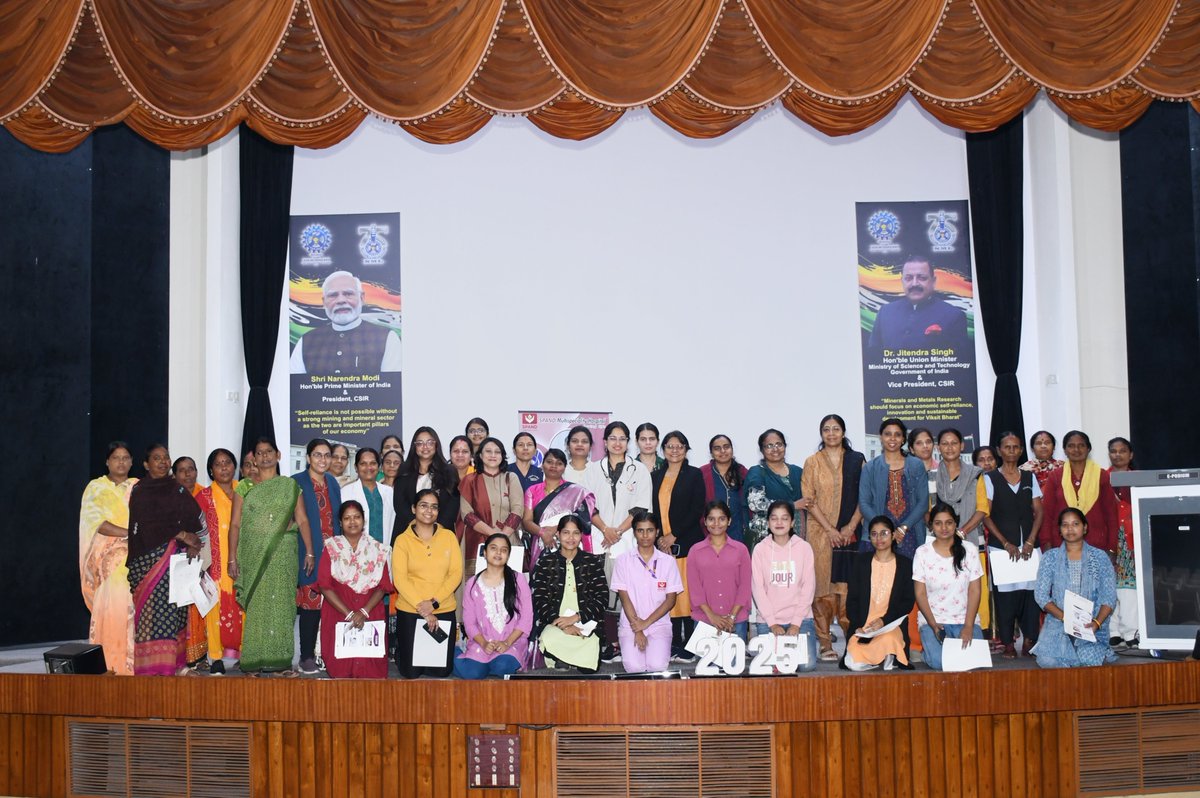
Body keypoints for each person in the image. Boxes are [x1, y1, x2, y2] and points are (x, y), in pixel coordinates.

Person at [228, 438, 316, 674]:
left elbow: (303, 519)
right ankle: (253, 661)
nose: (265, 456)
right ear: (254, 458)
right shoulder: (245, 487)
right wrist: (232, 558)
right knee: (256, 605)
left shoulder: (289, 486)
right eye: (260, 453)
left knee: (283, 605)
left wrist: (309, 551)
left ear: (278, 455)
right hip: (252, 553)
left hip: (284, 553)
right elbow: (235, 525)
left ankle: (281, 662)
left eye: (269, 452)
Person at [126, 444, 206, 676]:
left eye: (166, 458)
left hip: (177, 563)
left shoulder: (177, 489)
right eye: (156, 458)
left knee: (175, 613)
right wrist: (182, 535)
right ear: (146, 464)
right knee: (152, 616)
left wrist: (196, 543)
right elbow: (149, 525)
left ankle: (176, 664)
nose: (162, 462)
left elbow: (195, 517)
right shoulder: (141, 490)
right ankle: (152, 667)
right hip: (148, 563)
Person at [583, 421, 652, 661]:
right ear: (604, 442)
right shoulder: (592, 469)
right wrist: (605, 530)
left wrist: (618, 532)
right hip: (599, 539)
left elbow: (641, 507)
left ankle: (626, 642)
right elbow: (587, 504)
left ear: (628, 442)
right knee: (600, 593)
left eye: (622, 438)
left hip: (626, 540)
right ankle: (606, 643)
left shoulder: (639, 470)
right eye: (613, 438)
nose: (617, 442)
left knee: (627, 593)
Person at [801, 414, 866, 662]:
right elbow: (809, 500)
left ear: (843, 431)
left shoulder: (856, 460)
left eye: (835, 429)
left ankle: (853, 642)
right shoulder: (813, 462)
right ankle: (825, 642)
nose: (831, 433)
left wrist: (850, 527)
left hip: (851, 534)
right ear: (821, 433)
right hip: (820, 534)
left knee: (847, 588)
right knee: (822, 588)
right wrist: (830, 529)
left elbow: (865, 496)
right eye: (826, 429)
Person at [979, 432, 1043, 659]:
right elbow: (985, 515)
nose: (1012, 451)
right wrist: (1005, 543)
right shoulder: (989, 478)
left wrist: (1031, 540)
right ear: (999, 450)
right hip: (1001, 549)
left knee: (1031, 596)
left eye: (1016, 447)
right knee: (1005, 598)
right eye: (1007, 447)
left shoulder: (1029, 477)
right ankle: (1007, 643)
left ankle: (1029, 640)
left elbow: (1039, 511)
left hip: (1029, 549)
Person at [1032, 508, 1118, 669]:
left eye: (1075, 524)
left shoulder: (1099, 557)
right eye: (1065, 525)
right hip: (1059, 622)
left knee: (1088, 658)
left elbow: (1109, 597)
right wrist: (1065, 618)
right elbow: (1041, 596)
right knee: (1048, 661)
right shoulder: (1050, 557)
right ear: (1059, 530)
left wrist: (1096, 623)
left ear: (1085, 527)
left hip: (1090, 625)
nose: (1070, 529)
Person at [79, 441, 138, 675]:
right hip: (109, 560)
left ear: (132, 462)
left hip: (138, 558)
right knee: (112, 608)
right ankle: (108, 666)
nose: (121, 462)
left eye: (125, 458)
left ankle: (133, 666)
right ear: (107, 461)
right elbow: (96, 523)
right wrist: (129, 533)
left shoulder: (139, 487)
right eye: (116, 458)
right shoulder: (95, 488)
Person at [318, 501, 393, 678]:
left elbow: (383, 586)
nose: (352, 522)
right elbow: (324, 585)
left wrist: (363, 612)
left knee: (370, 668)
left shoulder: (377, 549)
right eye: (347, 518)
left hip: (370, 611)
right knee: (340, 668)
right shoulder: (331, 547)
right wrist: (350, 614)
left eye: (357, 517)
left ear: (363, 520)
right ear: (340, 523)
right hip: (338, 611)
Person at [392, 489, 462, 678]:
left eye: (434, 507)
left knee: (441, 671)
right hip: (411, 610)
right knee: (411, 673)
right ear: (414, 508)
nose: (429, 511)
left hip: (442, 608)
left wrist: (433, 603)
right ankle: (401, 652)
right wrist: (423, 608)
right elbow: (400, 579)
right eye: (423, 505)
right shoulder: (402, 540)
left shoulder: (448, 537)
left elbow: (455, 574)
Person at [651, 431, 706, 662]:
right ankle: (672, 644)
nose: (675, 450)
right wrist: (659, 538)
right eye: (670, 446)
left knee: (686, 596)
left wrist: (674, 535)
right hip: (660, 545)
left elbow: (697, 509)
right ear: (663, 450)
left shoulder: (694, 475)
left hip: (685, 542)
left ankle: (689, 646)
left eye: (680, 446)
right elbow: (651, 509)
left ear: (686, 449)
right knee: (667, 595)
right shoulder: (655, 475)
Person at [530, 515, 609, 672]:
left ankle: (566, 658)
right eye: (566, 533)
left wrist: (576, 618)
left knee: (590, 642)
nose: (571, 538)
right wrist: (562, 624)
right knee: (549, 637)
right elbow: (539, 599)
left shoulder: (592, 562)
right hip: (555, 625)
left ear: (581, 536)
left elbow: (602, 598)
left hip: (585, 624)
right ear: (558, 534)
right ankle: (572, 658)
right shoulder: (546, 562)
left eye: (576, 533)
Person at [913, 503, 984, 671]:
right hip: (934, 622)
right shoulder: (922, 553)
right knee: (941, 663)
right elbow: (920, 593)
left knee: (974, 663)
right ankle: (928, 652)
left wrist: (968, 626)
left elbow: (975, 590)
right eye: (938, 523)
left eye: (949, 522)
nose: (944, 527)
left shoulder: (970, 550)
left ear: (955, 524)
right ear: (931, 526)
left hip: (965, 620)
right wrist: (933, 625)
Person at [292, 438, 343, 675]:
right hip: (307, 552)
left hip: (332, 553)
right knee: (310, 605)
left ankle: (328, 653)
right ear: (308, 457)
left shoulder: (332, 483)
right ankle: (306, 656)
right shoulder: (296, 483)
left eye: (327, 455)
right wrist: (308, 550)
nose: (323, 460)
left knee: (331, 604)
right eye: (318, 455)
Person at [289, 270, 401, 374]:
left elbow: (391, 390)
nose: (341, 300)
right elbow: (296, 390)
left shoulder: (386, 337)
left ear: (361, 298)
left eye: (348, 293)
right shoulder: (306, 340)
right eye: (333, 295)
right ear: (324, 302)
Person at [934, 428, 990, 638]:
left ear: (962, 446)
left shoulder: (975, 474)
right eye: (945, 444)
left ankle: (979, 631)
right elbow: (928, 508)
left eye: (954, 443)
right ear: (938, 448)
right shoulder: (931, 473)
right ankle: (944, 631)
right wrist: (942, 532)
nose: (949, 448)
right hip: (938, 540)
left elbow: (982, 508)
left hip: (970, 538)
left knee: (975, 587)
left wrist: (961, 532)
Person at [750, 501, 819, 671]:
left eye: (784, 518)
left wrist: (796, 623)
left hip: (800, 619)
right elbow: (758, 590)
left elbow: (808, 587)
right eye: (774, 518)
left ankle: (789, 651)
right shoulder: (760, 549)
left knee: (806, 666)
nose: (779, 523)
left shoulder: (804, 548)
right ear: (768, 523)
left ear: (792, 522)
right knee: (771, 665)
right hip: (769, 620)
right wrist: (772, 624)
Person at [454, 533, 534, 679]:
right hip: (482, 642)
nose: (498, 553)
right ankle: (457, 653)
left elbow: (526, 618)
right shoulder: (472, 584)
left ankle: (491, 663)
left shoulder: (518, 580)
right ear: (485, 553)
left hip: (512, 642)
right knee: (472, 674)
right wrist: (484, 643)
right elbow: (470, 623)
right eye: (493, 548)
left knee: (503, 666)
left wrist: (507, 642)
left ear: (508, 555)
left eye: (503, 550)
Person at [612, 511, 681, 673]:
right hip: (631, 624)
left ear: (657, 532)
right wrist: (638, 628)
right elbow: (624, 598)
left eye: (650, 530)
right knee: (634, 668)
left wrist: (646, 623)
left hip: (658, 625)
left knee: (657, 667)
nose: (645, 535)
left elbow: (670, 600)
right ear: (634, 532)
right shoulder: (623, 561)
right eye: (640, 530)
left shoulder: (668, 562)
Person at [843, 517, 915, 671]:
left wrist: (884, 621)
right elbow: (852, 600)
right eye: (874, 534)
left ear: (893, 535)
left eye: (884, 533)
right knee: (852, 663)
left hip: (890, 625)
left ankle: (887, 654)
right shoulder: (861, 562)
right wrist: (858, 626)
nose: (879, 538)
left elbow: (907, 602)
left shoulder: (905, 565)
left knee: (889, 639)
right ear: (869, 537)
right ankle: (881, 658)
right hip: (864, 627)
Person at [194, 448, 242, 674]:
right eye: (218, 464)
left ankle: (245, 653)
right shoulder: (203, 497)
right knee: (215, 610)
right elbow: (195, 531)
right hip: (214, 564)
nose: (224, 467)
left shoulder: (245, 492)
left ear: (234, 466)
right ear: (211, 471)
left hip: (243, 562)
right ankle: (216, 658)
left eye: (228, 463)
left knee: (244, 608)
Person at [866, 256, 970, 352]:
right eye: (909, 278)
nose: (915, 283)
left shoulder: (954, 316)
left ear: (933, 282)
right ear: (902, 281)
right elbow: (874, 356)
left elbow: (959, 363)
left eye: (922, 278)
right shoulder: (885, 312)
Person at [1039, 431, 1119, 556]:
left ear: (1088, 449)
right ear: (1065, 450)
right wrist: (1047, 545)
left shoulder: (1101, 475)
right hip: (1061, 547)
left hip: (1096, 547)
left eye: (1081, 445)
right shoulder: (1055, 477)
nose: (1076, 449)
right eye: (1071, 446)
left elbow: (1111, 515)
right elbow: (1047, 515)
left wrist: (1112, 548)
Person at [858, 418, 929, 559]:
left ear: (903, 439)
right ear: (881, 437)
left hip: (910, 532)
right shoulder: (870, 467)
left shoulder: (916, 465)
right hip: (878, 536)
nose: (892, 438)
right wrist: (884, 529)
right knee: (876, 578)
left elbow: (923, 502)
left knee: (908, 578)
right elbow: (864, 503)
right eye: (887, 434)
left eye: (897, 434)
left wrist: (903, 527)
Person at [459, 437, 525, 578]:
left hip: (509, 541)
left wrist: (502, 536)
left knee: (509, 589)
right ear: (481, 456)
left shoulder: (511, 478)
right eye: (488, 451)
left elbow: (517, 510)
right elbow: (467, 515)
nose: (493, 455)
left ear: (502, 456)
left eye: (497, 452)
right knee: (480, 590)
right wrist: (493, 535)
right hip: (479, 542)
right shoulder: (470, 480)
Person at [687, 500, 752, 642]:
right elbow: (695, 589)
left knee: (733, 664)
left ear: (729, 521)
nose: (716, 523)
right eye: (711, 519)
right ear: (705, 521)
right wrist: (712, 616)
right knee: (706, 664)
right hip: (704, 619)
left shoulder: (741, 550)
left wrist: (732, 617)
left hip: (735, 621)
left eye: (721, 519)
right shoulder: (695, 551)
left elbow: (745, 586)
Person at [521, 448, 596, 565]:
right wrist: (543, 533)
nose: (554, 466)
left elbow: (583, 518)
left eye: (559, 463)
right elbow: (526, 522)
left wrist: (557, 528)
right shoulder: (532, 491)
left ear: (564, 467)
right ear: (542, 465)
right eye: (549, 462)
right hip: (541, 544)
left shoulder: (575, 492)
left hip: (570, 544)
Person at [744, 429, 807, 554]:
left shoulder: (798, 471)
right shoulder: (757, 472)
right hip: (766, 536)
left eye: (779, 444)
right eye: (769, 446)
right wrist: (792, 505)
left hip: (796, 533)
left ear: (785, 446)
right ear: (762, 450)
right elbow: (755, 503)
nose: (775, 449)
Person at [393, 427, 459, 538]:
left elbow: (453, 504)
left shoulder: (449, 471)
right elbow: (399, 503)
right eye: (420, 443)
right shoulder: (404, 470)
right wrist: (416, 527)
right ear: (415, 447)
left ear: (436, 445)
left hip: (440, 534)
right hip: (408, 532)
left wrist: (437, 528)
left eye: (429, 442)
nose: (425, 447)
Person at [1107, 436, 1138, 648]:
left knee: (1128, 588)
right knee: (1110, 587)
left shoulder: (1139, 478)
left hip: (1131, 538)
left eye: (1122, 451)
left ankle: (1130, 632)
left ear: (1130, 455)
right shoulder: (1101, 479)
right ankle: (1114, 630)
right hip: (1108, 537)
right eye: (1113, 451)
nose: (1117, 454)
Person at [699, 434, 749, 542]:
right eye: (717, 448)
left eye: (726, 447)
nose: (723, 451)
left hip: (739, 533)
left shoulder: (743, 472)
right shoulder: (702, 473)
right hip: (710, 533)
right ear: (711, 453)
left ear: (732, 449)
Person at [341, 448, 395, 546]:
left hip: (384, 553)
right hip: (355, 554)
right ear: (356, 467)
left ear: (379, 467)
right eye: (363, 464)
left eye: (373, 463)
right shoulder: (345, 492)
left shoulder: (389, 492)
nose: (368, 467)